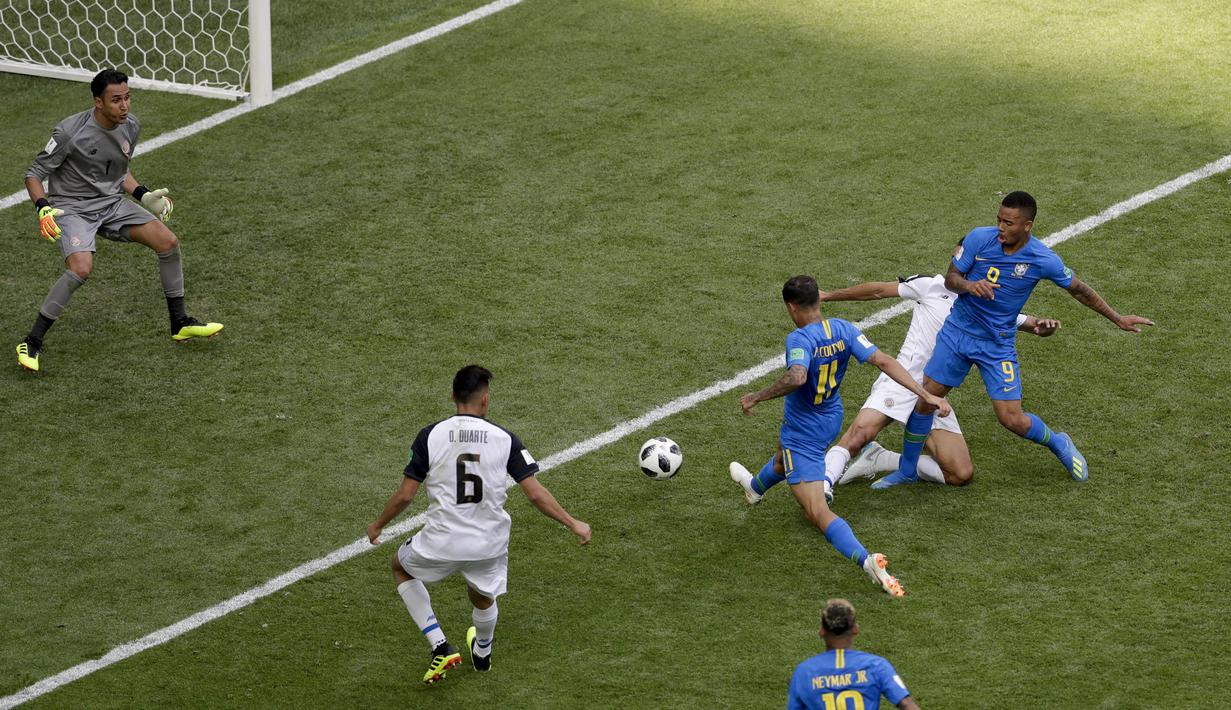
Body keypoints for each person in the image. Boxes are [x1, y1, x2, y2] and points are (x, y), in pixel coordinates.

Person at [883, 191, 1153, 487]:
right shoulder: (978, 239)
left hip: (996, 344)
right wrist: (970, 286)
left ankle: (1058, 443)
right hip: (957, 335)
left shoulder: (1042, 259)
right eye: (999, 220)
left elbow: (1079, 290)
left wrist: (1117, 318)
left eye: (1008, 223)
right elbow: (951, 279)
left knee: (1011, 419)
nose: (1001, 227)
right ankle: (908, 470)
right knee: (925, 401)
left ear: (1027, 226)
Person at [367, 365, 591, 684]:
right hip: (489, 545)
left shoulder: (430, 435)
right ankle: (482, 651)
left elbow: (405, 496)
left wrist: (378, 525)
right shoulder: (505, 439)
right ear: (485, 399)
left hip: (439, 542)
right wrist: (573, 523)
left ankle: (440, 645)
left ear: (452, 396)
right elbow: (536, 494)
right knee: (482, 594)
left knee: (401, 567)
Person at [729, 276, 951, 597]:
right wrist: (924, 394)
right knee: (783, 458)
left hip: (803, 431)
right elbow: (883, 360)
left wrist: (758, 396)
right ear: (818, 300)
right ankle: (754, 488)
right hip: (830, 418)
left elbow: (798, 375)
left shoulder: (799, 338)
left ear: (791, 307)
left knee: (817, 512)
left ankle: (867, 560)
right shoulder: (844, 329)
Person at [16, 68, 221, 373]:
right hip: (73, 209)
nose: (125, 106)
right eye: (116, 100)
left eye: (127, 98)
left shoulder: (130, 126)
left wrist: (143, 194)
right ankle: (32, 341)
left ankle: (179, 322)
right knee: (81, 269)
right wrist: (43, 208)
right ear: (98, 102)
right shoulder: (69, 132)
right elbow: (34, 175)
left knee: (168, 242)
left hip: (111, 204)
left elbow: (116, 170)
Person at [818, 271, 1060, 488]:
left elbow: (1028, 323)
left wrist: (1041, 325)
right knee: (859, 434)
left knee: (960, 474)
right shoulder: (931, 285)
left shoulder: (988, 305)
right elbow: (879, 290)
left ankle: (881, 459)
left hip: (934, 393)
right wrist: (829, 295)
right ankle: (823, 484)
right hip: (902, 379)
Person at [787, 598, 919, 710]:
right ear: (856, 629)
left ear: (821, 631)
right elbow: (908, 705)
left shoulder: (804, 672)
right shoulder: (876, 666)